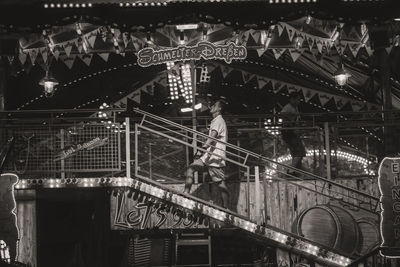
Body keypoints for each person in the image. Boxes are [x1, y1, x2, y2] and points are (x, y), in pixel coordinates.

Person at [183, 100, 229, 208]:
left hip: (215, 157)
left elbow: (212, 137)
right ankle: (185, 193)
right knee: (190, 169)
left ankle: (226, 207)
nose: (212, 106)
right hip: (208, 156)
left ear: (219, 109)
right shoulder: (215, 121)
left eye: (214, 105)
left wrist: (202, 149)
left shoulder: (219, 121)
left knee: (220, 184)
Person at [280, 92, 306, 176]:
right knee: (299, 152)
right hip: (290, 133)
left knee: (297, 152)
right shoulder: (288, 108)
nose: (299, 101)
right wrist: (291, 121)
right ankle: (291, 171)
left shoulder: (294, 108)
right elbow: (282, 114)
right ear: (292, 99)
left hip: (292, 132)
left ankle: (295, 170)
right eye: (297, 99)